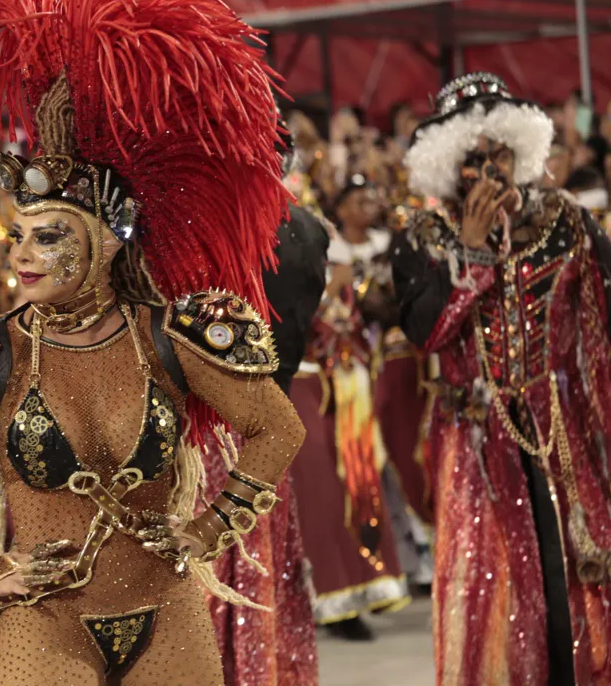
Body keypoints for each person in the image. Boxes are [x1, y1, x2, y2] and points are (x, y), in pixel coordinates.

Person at [0, 0, 305, 683]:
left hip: (169, 615)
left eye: (48, 236)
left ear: (104, 243)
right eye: (18, 236)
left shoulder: (170, 333)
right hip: (45, 623)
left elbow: (278, 428)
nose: (23, 254)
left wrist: (207, 530)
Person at [392, 72, 611, 684]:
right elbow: (427, 334)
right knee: (497, 592)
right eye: (474, 159)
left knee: (576, 581)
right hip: (477, 442)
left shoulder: (566, 222)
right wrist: (473, 253)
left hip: (564, 432)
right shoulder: (425, 240)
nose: (489, 170)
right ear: (449, 167)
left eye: (500, 154)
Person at [205, 130, 325, 685]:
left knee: (226, 566)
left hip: (214, 430)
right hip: (262, 422)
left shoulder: (211, 232)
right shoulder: (303, 230)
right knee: (257, 566)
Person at [288, 175, 410, 641]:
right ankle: (330, 598)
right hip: (302, 384)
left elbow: (357, 324)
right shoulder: (295, 280)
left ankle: (362, 589)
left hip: (344, 387)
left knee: (357, 487)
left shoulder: (344, 283)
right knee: (318, 491)